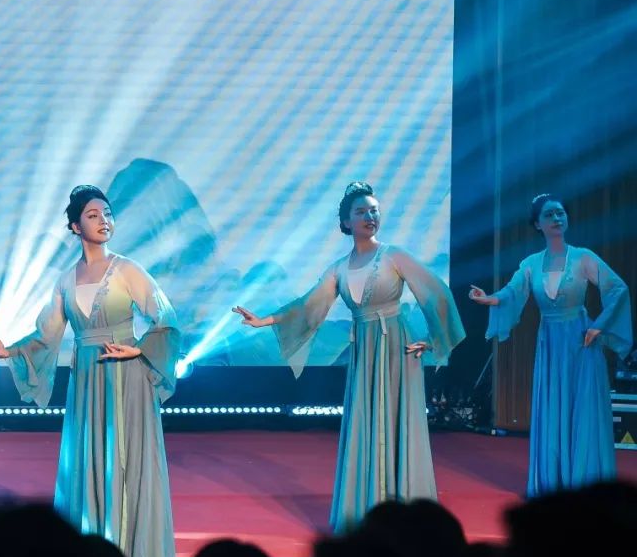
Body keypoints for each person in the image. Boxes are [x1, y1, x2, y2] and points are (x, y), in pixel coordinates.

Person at [233, 181, 465, 532]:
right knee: (365, 422)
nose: (370, 216)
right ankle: (368, 510)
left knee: (398, 423)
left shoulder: (394, 255)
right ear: (346, 221)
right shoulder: (339, 268)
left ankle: (405, 513)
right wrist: (265, 320)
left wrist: (433, 340)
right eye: (361, 212)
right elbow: (309, 306)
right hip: (364, 352)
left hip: (395, 347)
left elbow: (436, 292)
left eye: (374, 210)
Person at [0, 185, 180, 557]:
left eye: (108, 213)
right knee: (90, 456)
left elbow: (166, 319)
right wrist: (8, 352)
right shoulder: (66, 280)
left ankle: (132, 550)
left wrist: (139, 349)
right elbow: (46, 335)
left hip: (126, 376)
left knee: (125, 456)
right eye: (93, 215)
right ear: (75, 226)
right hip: (87, 378)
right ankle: (95, 547)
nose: (104, 221)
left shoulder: (127, 269)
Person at [470, 193, 632, 496]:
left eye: (560, 213)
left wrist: (599, 325)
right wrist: (487, 299)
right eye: (549, 215)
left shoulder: (583, 257)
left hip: (581, 343)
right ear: (537, 224)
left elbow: (618, 289)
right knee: (553, 409)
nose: (557, 218)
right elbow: (511, 293)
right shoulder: (531, 263)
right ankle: (554, 484)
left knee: (582, 410)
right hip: (549, 345)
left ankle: (585, 484)